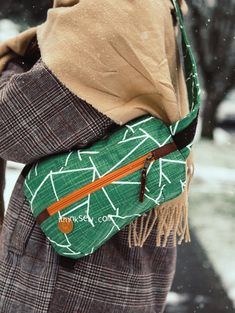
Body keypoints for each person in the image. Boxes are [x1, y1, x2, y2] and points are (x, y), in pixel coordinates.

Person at [0, 0, 193, 312]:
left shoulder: (113, 12)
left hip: (72, 276)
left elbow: (11, 126)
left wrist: (14, 62)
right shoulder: (158, 7)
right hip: (128, 260)